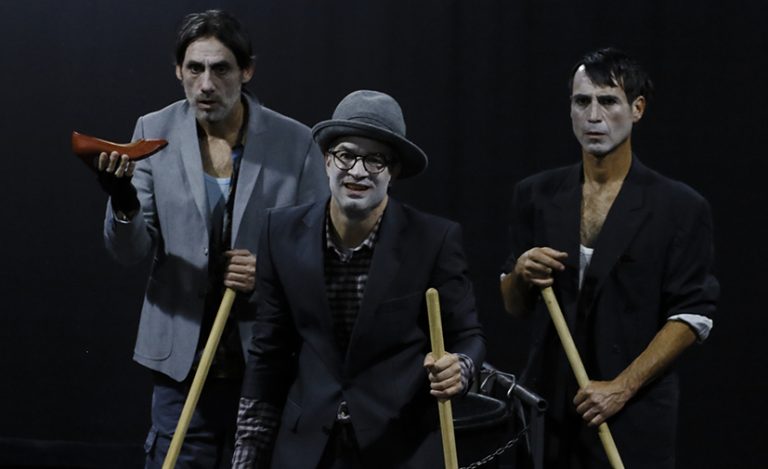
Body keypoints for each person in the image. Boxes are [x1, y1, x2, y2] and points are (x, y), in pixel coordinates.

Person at [95, 10, 328, 467]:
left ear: (247, 70)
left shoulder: (296, 143)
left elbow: (324, 255)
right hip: (179, 365)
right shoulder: (152, 132)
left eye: (220, 69)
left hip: (265, 364)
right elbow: (129, 252)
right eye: (194, 69)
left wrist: (270, 272)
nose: (206, 84)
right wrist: (123, 202)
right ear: (178, 71)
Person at [231, 90, 486, 468]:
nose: (358, 171)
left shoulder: (433, 239)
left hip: (401, 446)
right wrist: (247, 456)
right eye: (346, 155)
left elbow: (468, 335)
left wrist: (459, 369)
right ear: (326, 160)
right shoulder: (280, 233)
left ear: (393, 171)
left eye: (375, 160)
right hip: (307, 448)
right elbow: (269, 354)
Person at [500, 48, 719, 468]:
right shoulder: (535, 194)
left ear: (637, 109)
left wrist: (622, 387)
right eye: (582, 102)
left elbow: (692, 315)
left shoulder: (679, 206)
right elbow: (513, 304)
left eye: (608, 101)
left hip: (631, 414)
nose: (593, 116)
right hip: (547, 412)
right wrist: (521, 273)